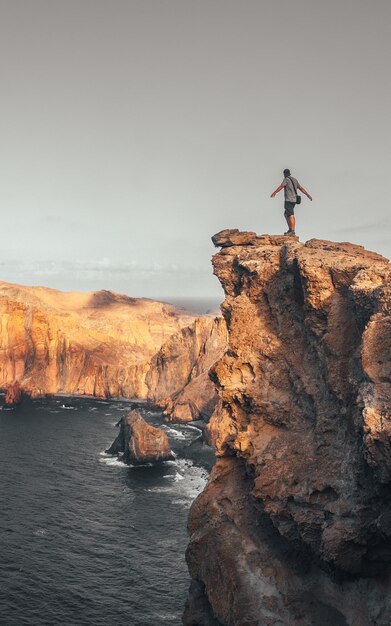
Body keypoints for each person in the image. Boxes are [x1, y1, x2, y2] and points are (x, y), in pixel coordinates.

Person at [270, 169, 312, 236]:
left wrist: (275, 192)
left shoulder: (286, 179)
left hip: (288, 200)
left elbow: (282, 186)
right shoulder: (295, 180)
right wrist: (308, 195)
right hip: (294, 200)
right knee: (286, 214)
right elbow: (301, 188)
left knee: (290, 214)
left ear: (284, 174)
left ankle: (292, 231)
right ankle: (290, 229)